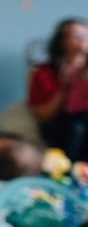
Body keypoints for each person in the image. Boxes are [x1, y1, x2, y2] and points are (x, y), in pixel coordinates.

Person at [28, 18, 88, 161]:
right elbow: (42, 115)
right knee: (76, 128)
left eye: (85, 35)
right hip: (61, 123)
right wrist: (64, 86)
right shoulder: (44, 72)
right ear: (62, 41)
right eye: (76, 36)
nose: (82, 40)